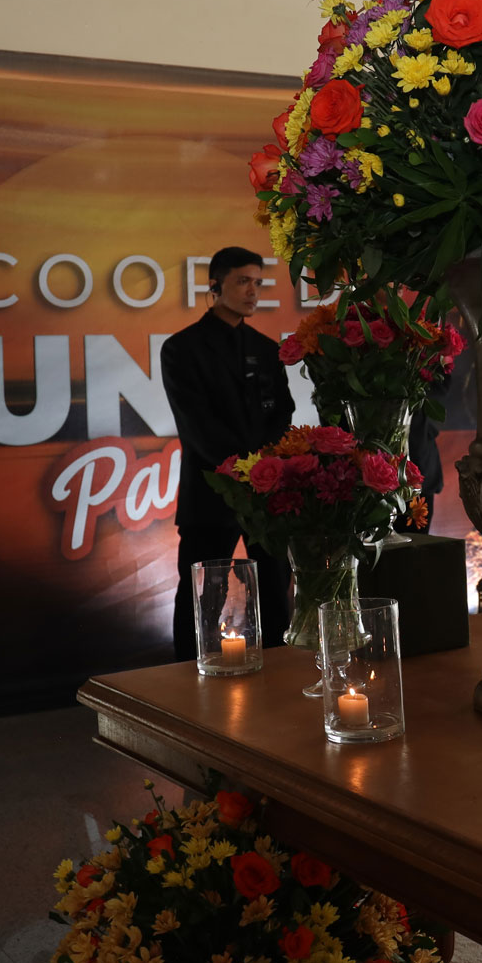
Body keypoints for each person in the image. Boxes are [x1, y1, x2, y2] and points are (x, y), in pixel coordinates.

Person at [160, 247, 292, 660]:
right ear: (215, 286)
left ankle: (281, 671)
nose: (253, 291)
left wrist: (264, 468)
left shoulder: (267, 349)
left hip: (267, 492)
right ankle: (187, 675)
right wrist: (244, 469)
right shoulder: (181, 349)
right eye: (243, 281)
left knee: (275, 588)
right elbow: (196, 425)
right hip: (210, 491)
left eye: (258, 283)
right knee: (202, 594)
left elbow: (283, 413)